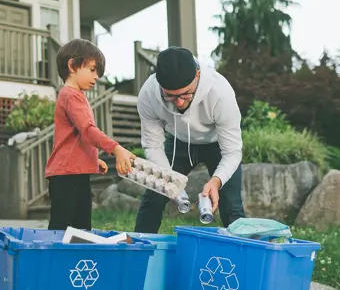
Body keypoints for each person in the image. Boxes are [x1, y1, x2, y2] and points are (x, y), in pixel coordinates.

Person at [134, 46, 245, 233]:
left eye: (185, 94)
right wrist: (168, 178)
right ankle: (139, 252)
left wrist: (216, 181)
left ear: (197, 76)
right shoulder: (148, 95)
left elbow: (233, 152)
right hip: (179, 141)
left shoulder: (220, 92)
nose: (178, 102)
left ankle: (242, 257)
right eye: (169, 96)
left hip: (216, 143)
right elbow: (152, 144)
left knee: (231, 204)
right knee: (154, 195)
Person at [45, 39, 135, 231]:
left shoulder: (75, 96)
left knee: (81, 227)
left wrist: (92, 160)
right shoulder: (71, 96)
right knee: (63, 229)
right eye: (93, 69)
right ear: (72, 65)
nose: (96, 77)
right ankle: (53, 261)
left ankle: (75, 260)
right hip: (66, 176)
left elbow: (76, 138)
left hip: (74, 172)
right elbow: (88, 131)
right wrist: (115, 148)